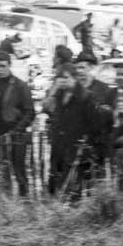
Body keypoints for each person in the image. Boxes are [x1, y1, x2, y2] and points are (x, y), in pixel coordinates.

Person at [42, 63, 100, 196]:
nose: (61, 80)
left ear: (74, 78)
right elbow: (45, 107)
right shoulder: (59, 95)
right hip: (59, 145)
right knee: (55, 180)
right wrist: (54, 90)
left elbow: (95, 125)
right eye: (59, 77)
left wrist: (87, 146)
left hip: (76, 146)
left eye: (65, 77)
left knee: (73, 185)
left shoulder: (86, 96)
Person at [0, 51, 35, 197]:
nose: (0, 69)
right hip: (0, 135)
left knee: (19, 170)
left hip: (17, 135)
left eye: (3, 66)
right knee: (3, 171)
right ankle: (7, 205)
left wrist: (17, 130)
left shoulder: (20, 86)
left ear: (9, 65)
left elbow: (30, 112)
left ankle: (25, 201)